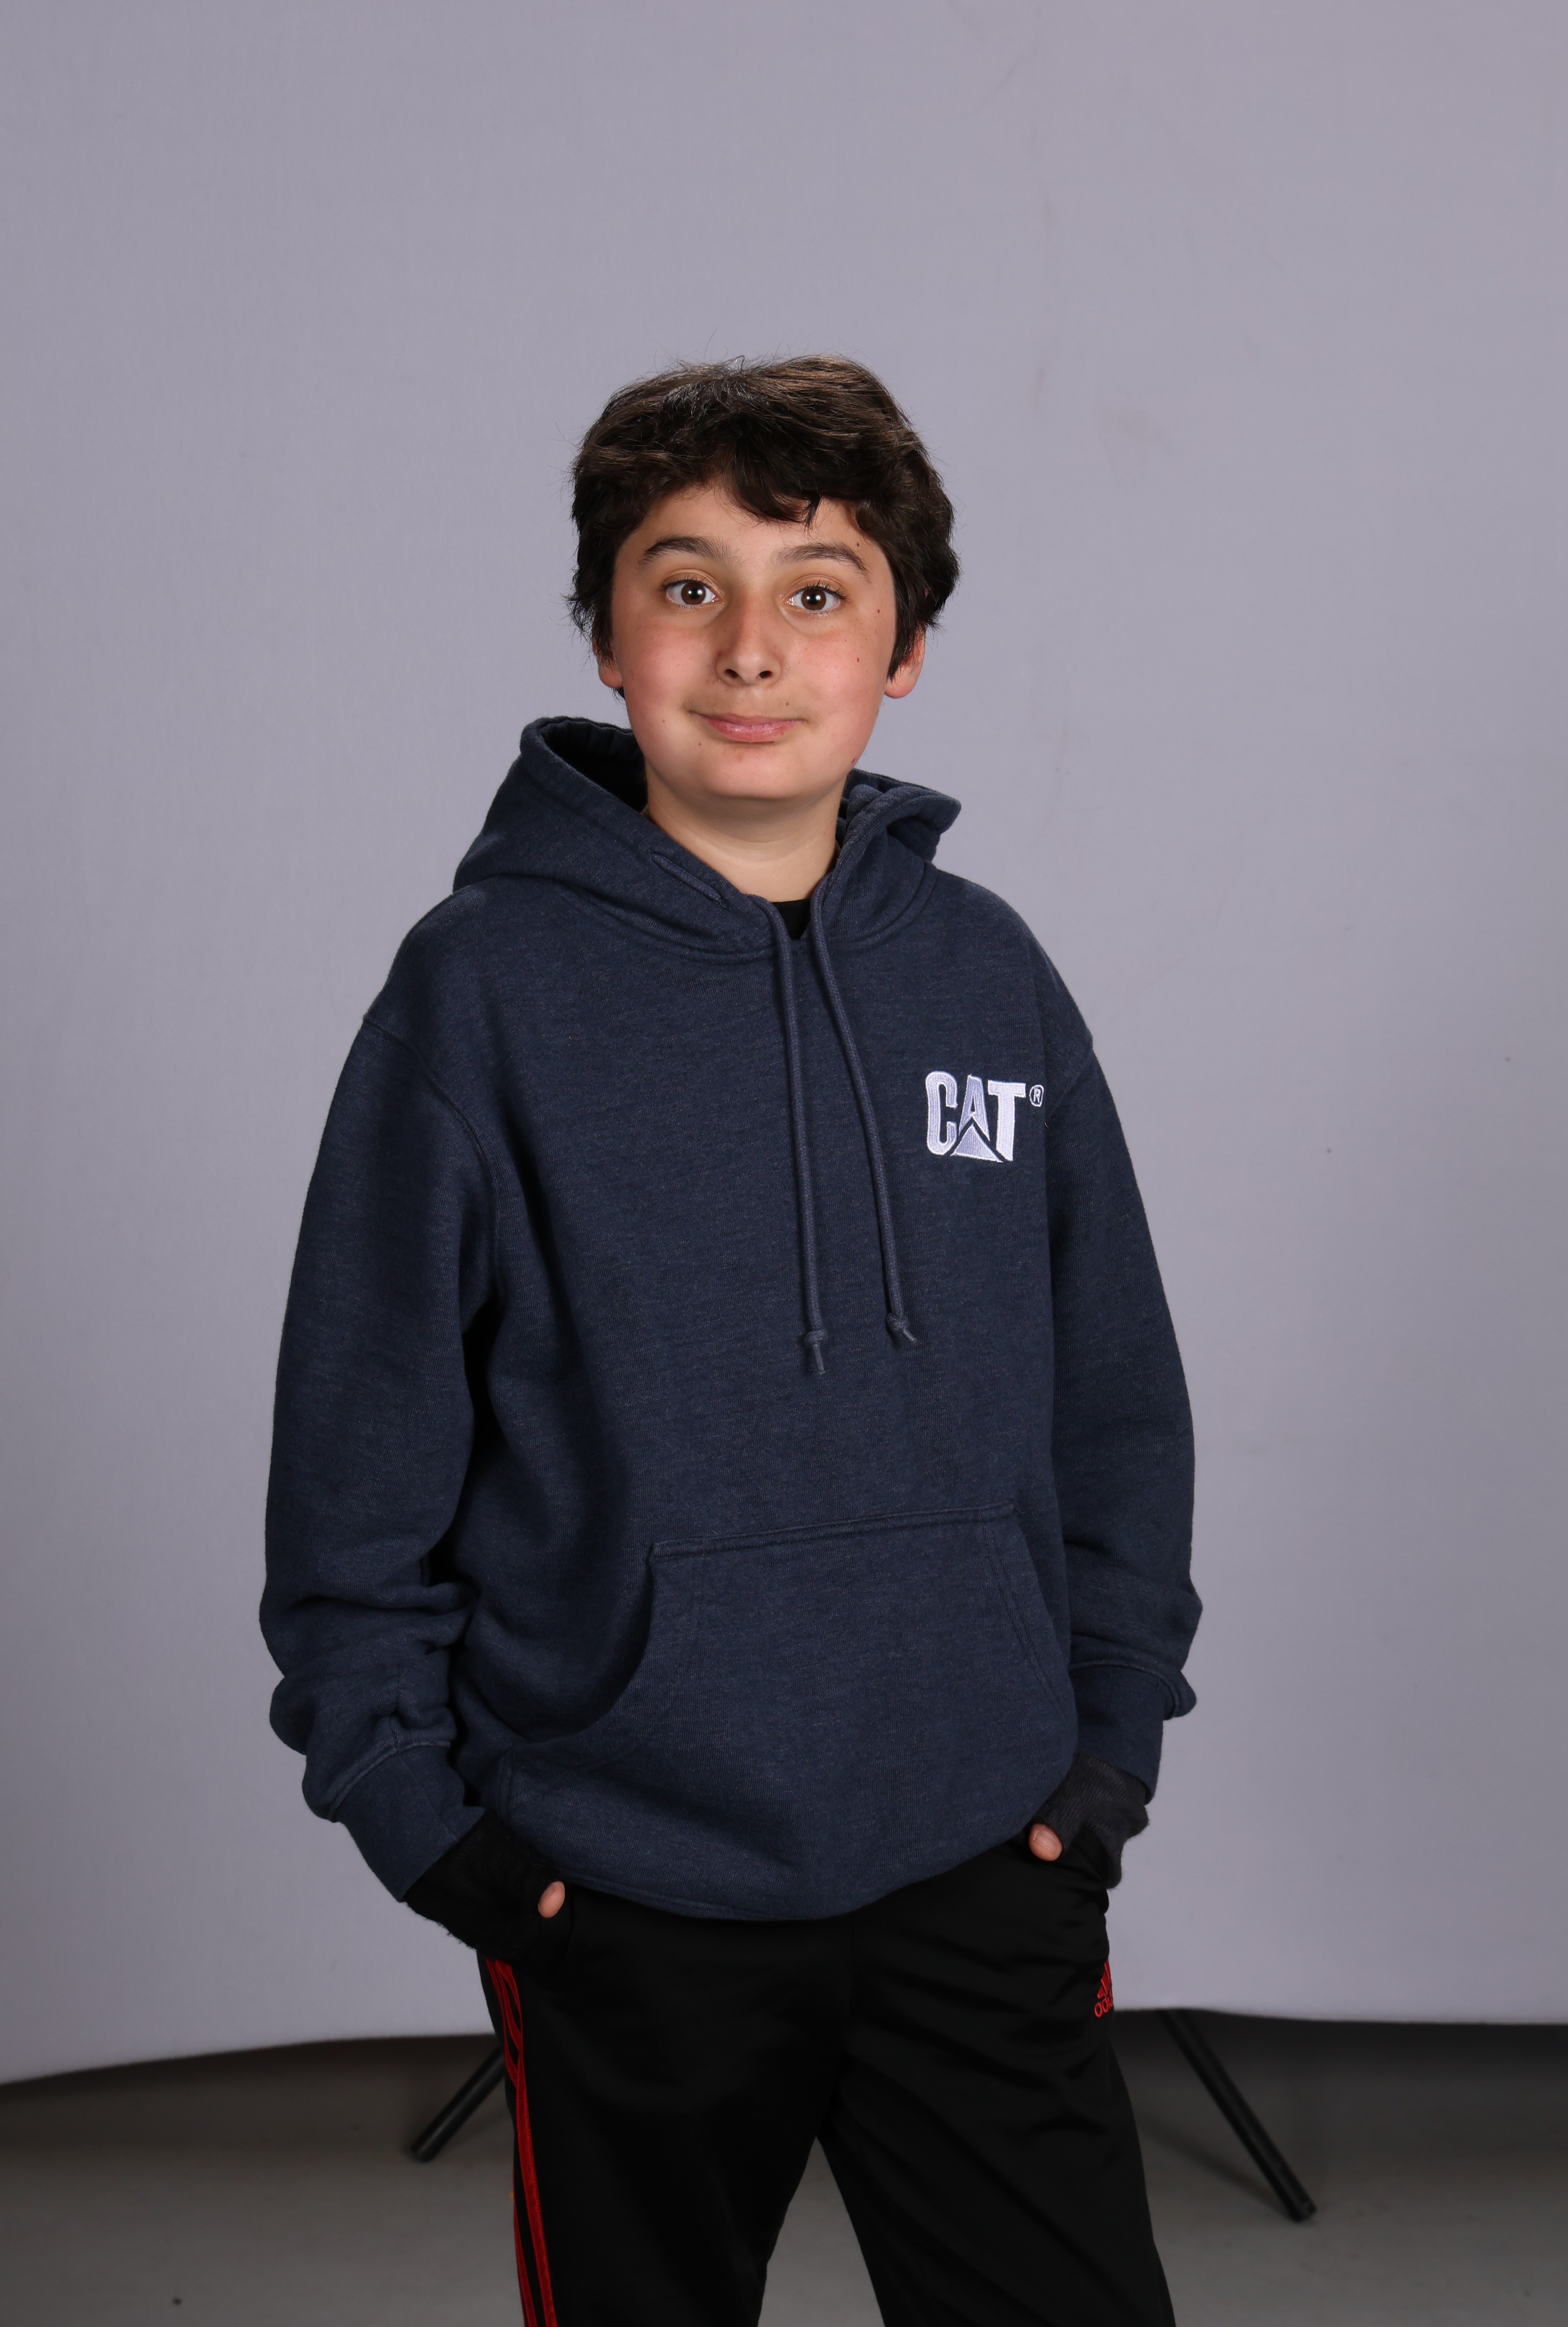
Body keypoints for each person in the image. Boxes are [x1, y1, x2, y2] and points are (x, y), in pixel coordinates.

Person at [262, 355, 1200, 2327]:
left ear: (904, 652)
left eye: (818, 591)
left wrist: (1107, 1742)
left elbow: (1116, 1394)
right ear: (608, 637)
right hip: (623, 1879)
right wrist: (427, 1823)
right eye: (687, 586)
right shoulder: (479, 994)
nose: (751, 648)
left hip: (980, 1842)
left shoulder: (988, 978)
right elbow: (358, 1451)